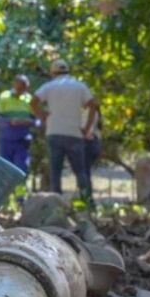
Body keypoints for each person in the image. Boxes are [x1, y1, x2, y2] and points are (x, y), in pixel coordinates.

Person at [30, 59, 99, 204]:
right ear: (68, 71)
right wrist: (87, 127)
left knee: (55, 171)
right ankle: (87, 202)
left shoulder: (49, 86)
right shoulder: (79, 86)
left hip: (54, 132)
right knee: (80, 171)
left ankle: (57, 204)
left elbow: (33, 102)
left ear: (52, 73)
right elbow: (92, 105)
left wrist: (41, 116)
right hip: (74, 133)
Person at [0, 75, 35, 173]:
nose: (21, 92)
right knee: (5, 169)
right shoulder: (4, 97)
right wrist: (10, 122)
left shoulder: (29, 99)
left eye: (24, 89)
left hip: (22, 141)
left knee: (21, 169)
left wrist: (28, 122)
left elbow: (37, 121)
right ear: (14, 85)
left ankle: (20, 183)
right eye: (19, 88)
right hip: (6, 140)